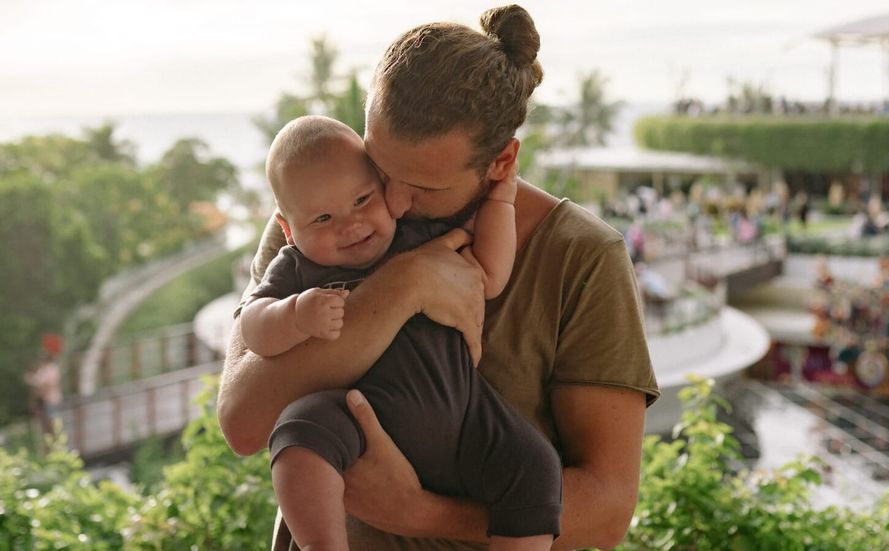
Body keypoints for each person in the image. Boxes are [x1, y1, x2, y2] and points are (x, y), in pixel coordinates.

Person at [217, 5, 659, 550]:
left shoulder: (580, 258)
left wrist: (422, 514)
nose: (394, 205)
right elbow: (242, 423)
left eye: (424, 187)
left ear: (501, 163)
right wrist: (403, 287)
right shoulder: (321, 224)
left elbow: (608, 509)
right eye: (381, 169)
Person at [240, 114, 559, 550]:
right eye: (323, 218)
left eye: (362, 200)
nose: (349, 225)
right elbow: (253, 327)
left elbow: (490, 275)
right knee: (298, 434)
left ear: (384, 184)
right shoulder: (297, 267)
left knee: (536, 465)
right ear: (288, 229)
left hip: (465, 416)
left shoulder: (417, 235)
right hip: (354, 415)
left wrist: (502, 200)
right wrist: (294, 315)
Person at [24, 354, 62, 437]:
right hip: (43, 401)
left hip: (51, 400)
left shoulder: (51, 369)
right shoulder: (43, 370)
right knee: (46, 425)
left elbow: (46, 384)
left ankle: (56, 439)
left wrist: (32, 380)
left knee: (53, 422)